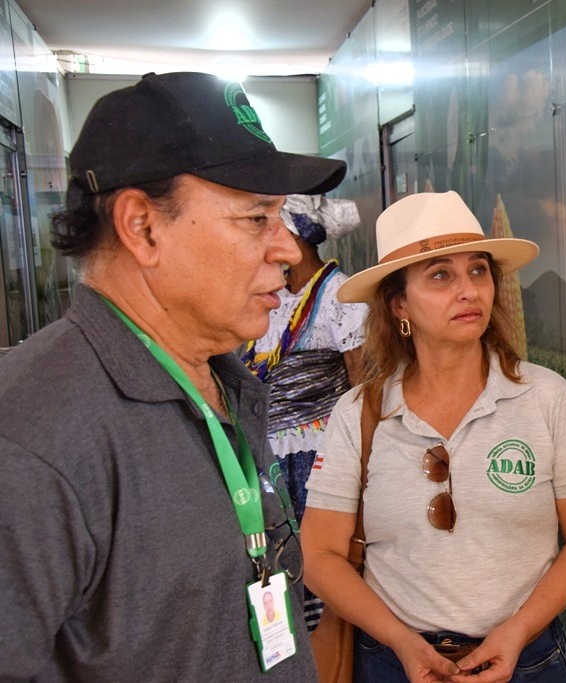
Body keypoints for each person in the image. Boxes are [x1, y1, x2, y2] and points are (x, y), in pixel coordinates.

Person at [0, 71, 349, 680]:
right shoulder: (33, 440)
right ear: (143, 227)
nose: (289, 250)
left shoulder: (225, 380)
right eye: (256, 218)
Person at [300, 190, 566, 682]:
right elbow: (319, 555)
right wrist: (400, 641)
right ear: (399, 303)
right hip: (392, 663)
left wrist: (520, 629)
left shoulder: (546, 398)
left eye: (478, 270)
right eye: (441, 275)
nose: (469, 291)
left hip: (528, 660)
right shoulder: (360, 413)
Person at [242, 193, 369, 630]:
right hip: (268, 463)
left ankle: (325, 651)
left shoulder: (341, 295)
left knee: (318, 572)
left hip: (318, 463)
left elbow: (363, 389)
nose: (264, 238)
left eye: (270, 226)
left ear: (295, 236)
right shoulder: (270, 296)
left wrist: (364, 471)